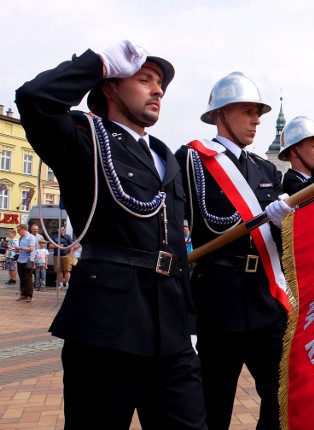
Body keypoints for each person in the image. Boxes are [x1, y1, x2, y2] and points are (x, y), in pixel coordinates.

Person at [15, 40, 207, 429]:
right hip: (107, 328)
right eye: (144, 79)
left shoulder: (165, 156)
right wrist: (97, 62)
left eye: (161, 85)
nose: (158, 90)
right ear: (110, 86)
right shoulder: (85, 139)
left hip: (170, 331)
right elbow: (34, 98)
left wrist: (189, 325)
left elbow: (174, 250)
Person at [175, 71, 293, 429]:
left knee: (282, 392)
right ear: (221, 114)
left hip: (263, 296)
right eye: (247, 111)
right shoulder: (193, 159)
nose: (257, 120)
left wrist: (280, 222)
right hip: (218, 296)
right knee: (214, 400)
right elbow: (197, 221)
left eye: (258, 113)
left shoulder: (264, 167)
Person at [15, 224, 36, 303]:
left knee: (28, 278)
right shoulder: (21, 238)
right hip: (20, 260)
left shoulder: (31, 237)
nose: (18, 232)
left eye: (19, 230)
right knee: (22, 278)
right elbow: (20, 250)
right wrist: (14, 249)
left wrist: (20, 248)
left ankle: (29, 295)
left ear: (23, 229)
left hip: (28, 260)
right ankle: (23, 294)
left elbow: (31, 249)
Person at [49, 226, 72, 290]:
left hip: (66, 256)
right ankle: (60, 285)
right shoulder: (54, 237)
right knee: (59, 271)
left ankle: (67, 284)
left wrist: (70, 254)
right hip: (57, 256)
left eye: (63, 229)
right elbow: (50, 246)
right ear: (58, 229)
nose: (62, 230)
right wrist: (57, 246)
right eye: (61, 229)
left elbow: (71, 245)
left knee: (67, 271)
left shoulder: (67, 237)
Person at [30, 223, 46, 290]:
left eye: (37, 229)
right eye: (34, 229)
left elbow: (42, 247)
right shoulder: (29, 236)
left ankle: (38, 286)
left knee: (38, 273)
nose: (36, 230)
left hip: (39, 257)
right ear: (31, 229)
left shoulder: (40, 237)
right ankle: (32, 285)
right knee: (31, 272)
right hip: (31, 256)